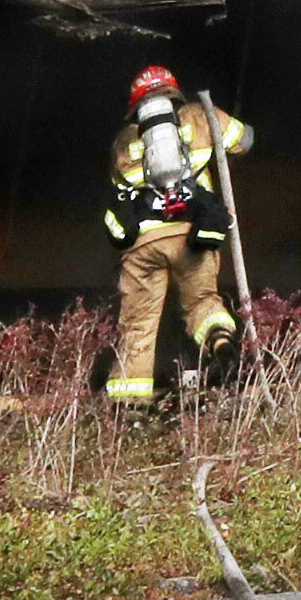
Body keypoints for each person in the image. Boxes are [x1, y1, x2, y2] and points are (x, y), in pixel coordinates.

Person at [101, 63, 251, 402]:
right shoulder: (200, 117)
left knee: (138, 325)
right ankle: (222, 344)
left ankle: (129, 409)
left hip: (144, 243)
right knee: (202, 304)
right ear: (174, 94)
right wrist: (214, 123)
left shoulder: (124, 143)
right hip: (191, 235)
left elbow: (120, 191)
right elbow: (246, 141)